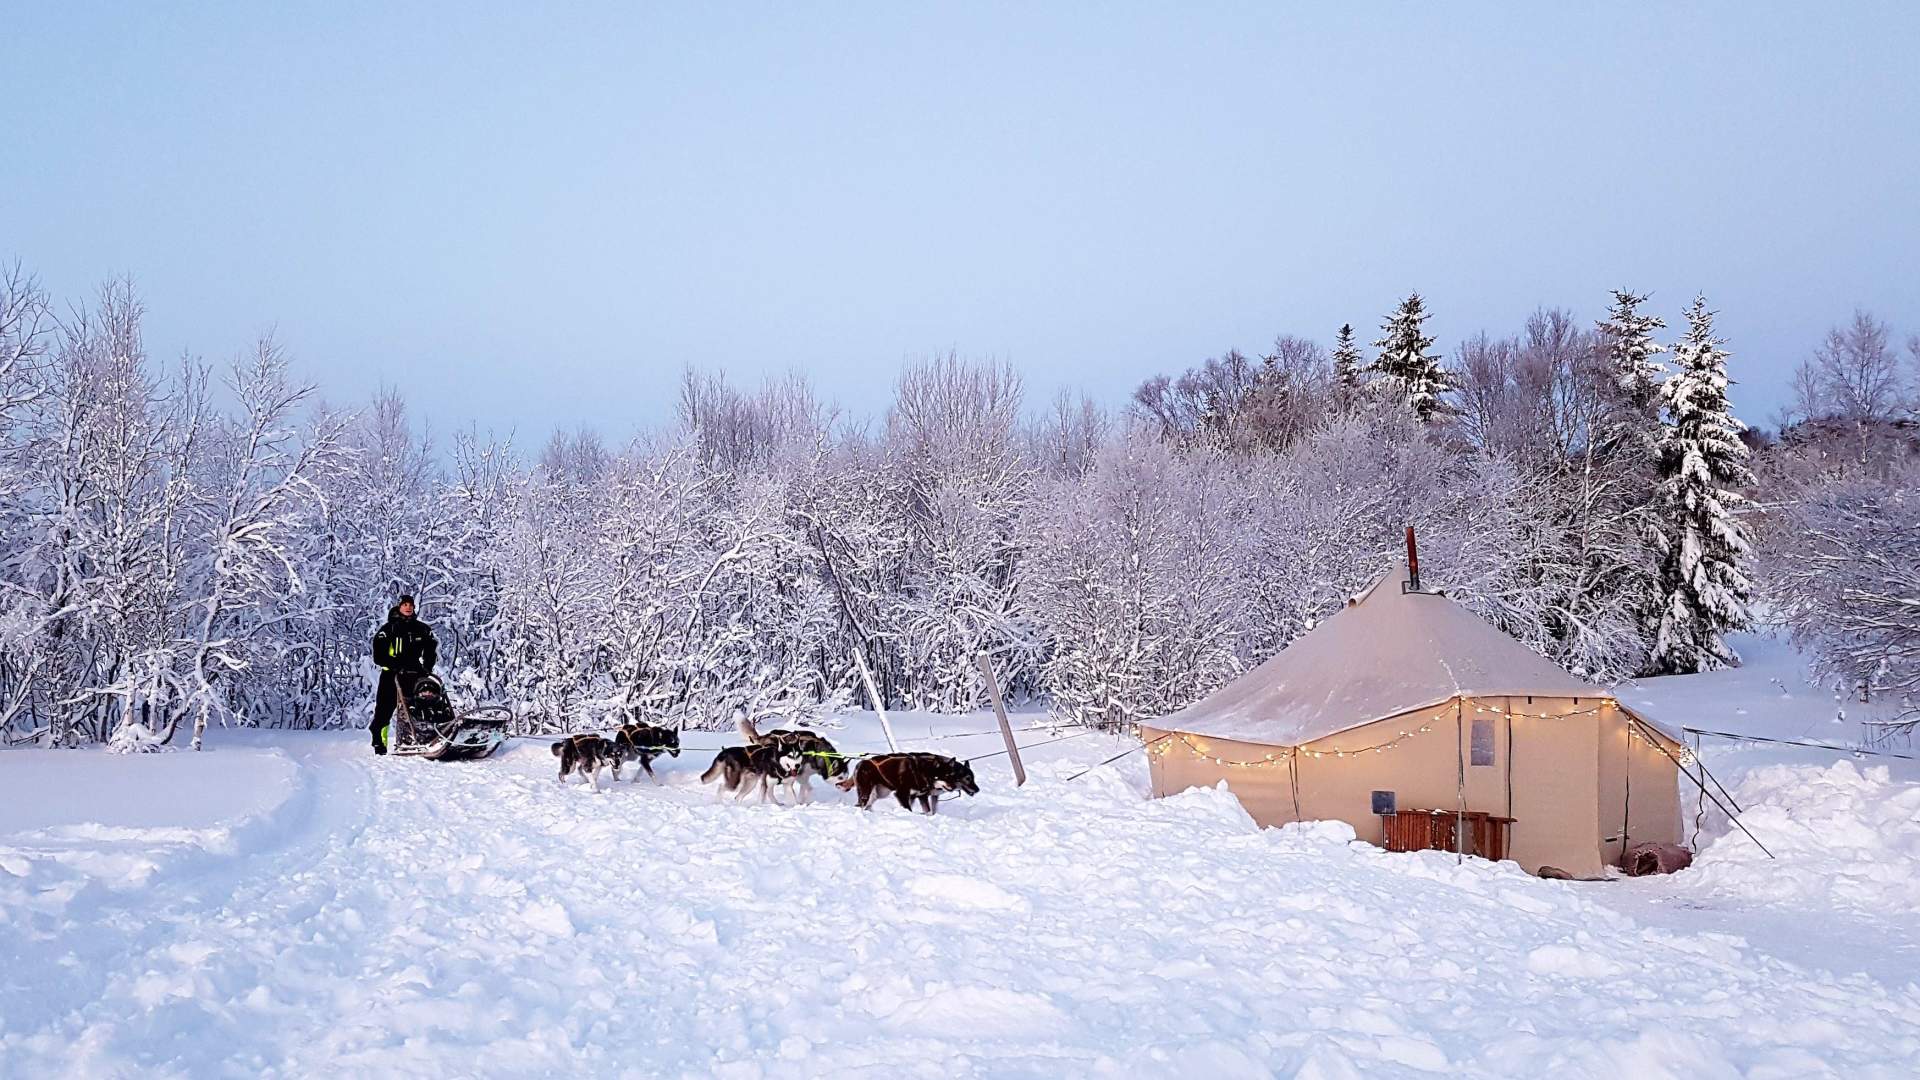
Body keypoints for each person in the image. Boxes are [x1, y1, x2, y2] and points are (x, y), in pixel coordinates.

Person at [370, 594, 438, 755]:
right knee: (385, 710)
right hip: (392, 675)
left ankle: (427, 738)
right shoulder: (389, 629)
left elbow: (431, 649)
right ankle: (380, 743)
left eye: (411, 605)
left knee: (426, 703)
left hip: (416, 674)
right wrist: (394, 665)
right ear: (399, 607)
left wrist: (427, 667)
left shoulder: (422, 629)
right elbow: (378, 655)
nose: (408, 607)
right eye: (405, 605)